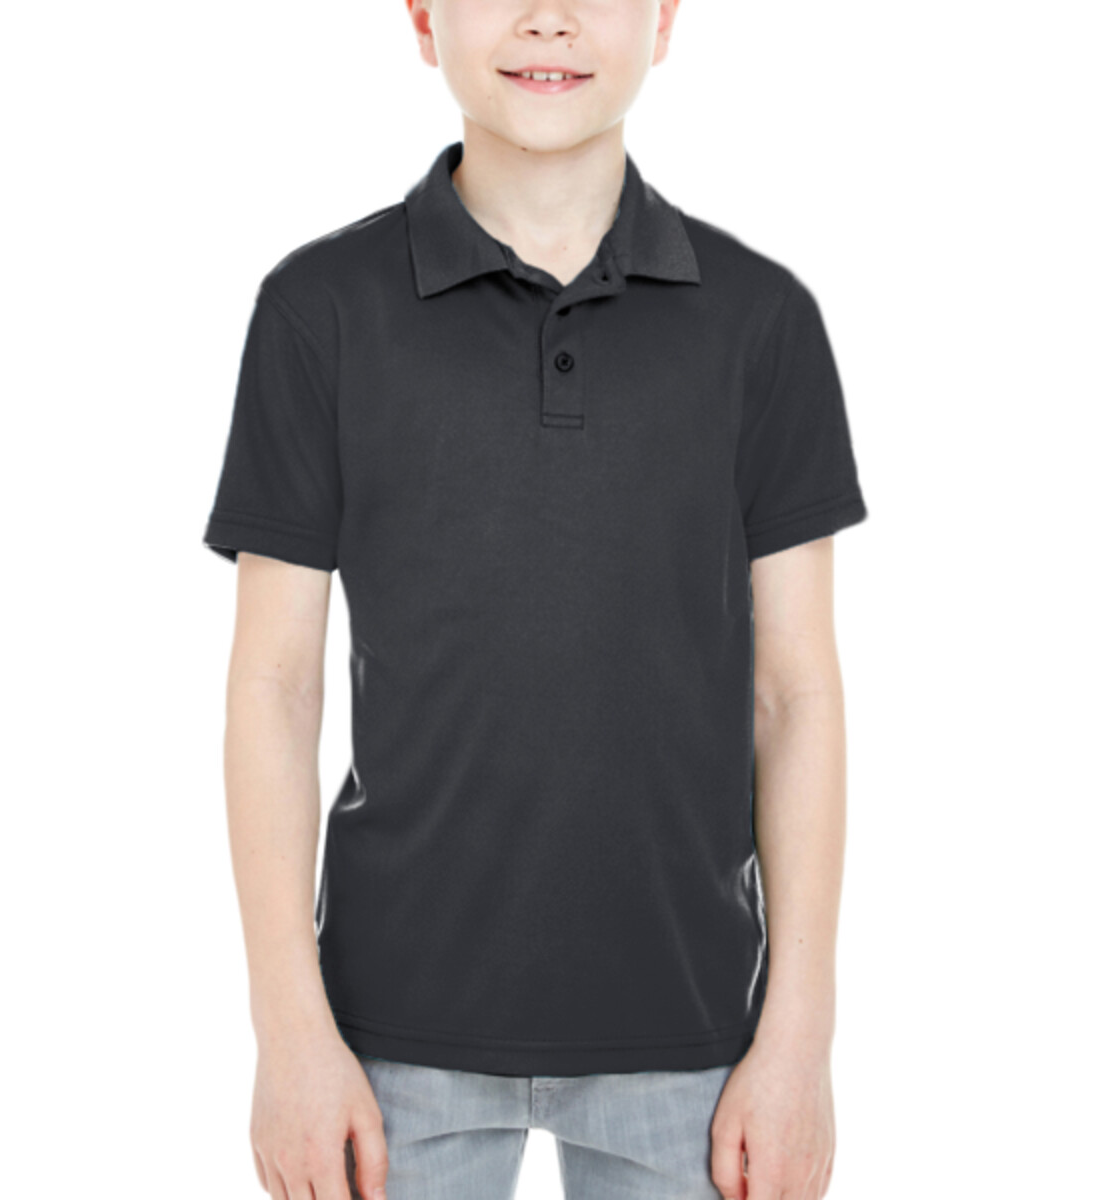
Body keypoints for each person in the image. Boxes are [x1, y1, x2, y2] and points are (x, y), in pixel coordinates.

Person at [202, 1, 868, 1197]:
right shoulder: (320, 312)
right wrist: (288, 1033)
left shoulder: (762, 322)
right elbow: (274, 686)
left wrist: (800, 1040)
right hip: (385, 1041)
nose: (548, 19)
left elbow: (796, 695)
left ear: (665, 19)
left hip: (695, 1039)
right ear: (423, 17)